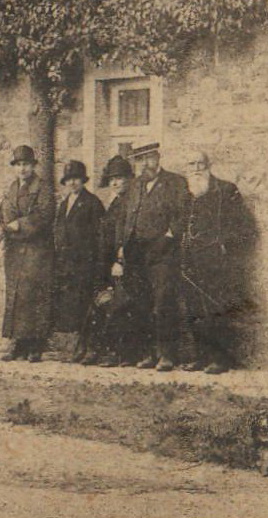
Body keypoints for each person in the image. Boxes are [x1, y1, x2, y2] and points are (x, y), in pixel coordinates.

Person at [179, 150, 256, 374]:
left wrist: (223, 246)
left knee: (216, 309)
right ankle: (200, 357)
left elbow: (244, 228)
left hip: (216, 262)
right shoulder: (186, 194)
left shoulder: (226, 190)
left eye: (199, 164)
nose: (195, 169)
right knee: (194, 310)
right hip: (190, 261)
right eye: (191, 164)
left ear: (208, 166)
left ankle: (220, 359)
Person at [118, 152, 192, 371]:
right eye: (139, 160)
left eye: (148, 159)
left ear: (158, 159)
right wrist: (122, 246)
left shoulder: (175, 182)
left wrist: (169, 237)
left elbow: (183, 214)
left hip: (163, 252)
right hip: (137, 253)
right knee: (141, 303)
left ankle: (167, 354)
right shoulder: (134, 186)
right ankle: (147, 353)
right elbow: (126, 218)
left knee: (163, 302)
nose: (144, 165)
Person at [0, 144, 55, 362]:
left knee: (33, 295)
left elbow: (44, 216)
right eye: (18, 165)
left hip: (36, 249)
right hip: (14, 251)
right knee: (15, 295)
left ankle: (35, 345)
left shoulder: (43, 188)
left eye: (26, 165)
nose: (22, 169)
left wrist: (18, 225)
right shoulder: (11, 189)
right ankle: (17, 342)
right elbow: (0, 213)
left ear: (33, 166)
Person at [91, 155, 144, 367]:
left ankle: (125, 353)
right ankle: (109, 351)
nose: (115, 183)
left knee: (123, 307)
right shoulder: (114, 204)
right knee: (105, 303)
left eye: (120, 178)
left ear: (129, 179)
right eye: (112, 179)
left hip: (130, 264)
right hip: (113, 264)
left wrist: (122, 260)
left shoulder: (133, 203)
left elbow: (133, 236)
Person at [52, 160, 105, 361]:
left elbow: (100, 236)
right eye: (69, 180)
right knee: (74, 306)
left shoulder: (92, 203)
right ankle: (79, 347)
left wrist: (98, 264)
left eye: (76, 179)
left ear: (83, 180)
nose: (73, 183)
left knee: (88, 306)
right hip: (67, 264)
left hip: (86, 263)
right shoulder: (64, 204)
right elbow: (58, 231)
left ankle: (91, 348)